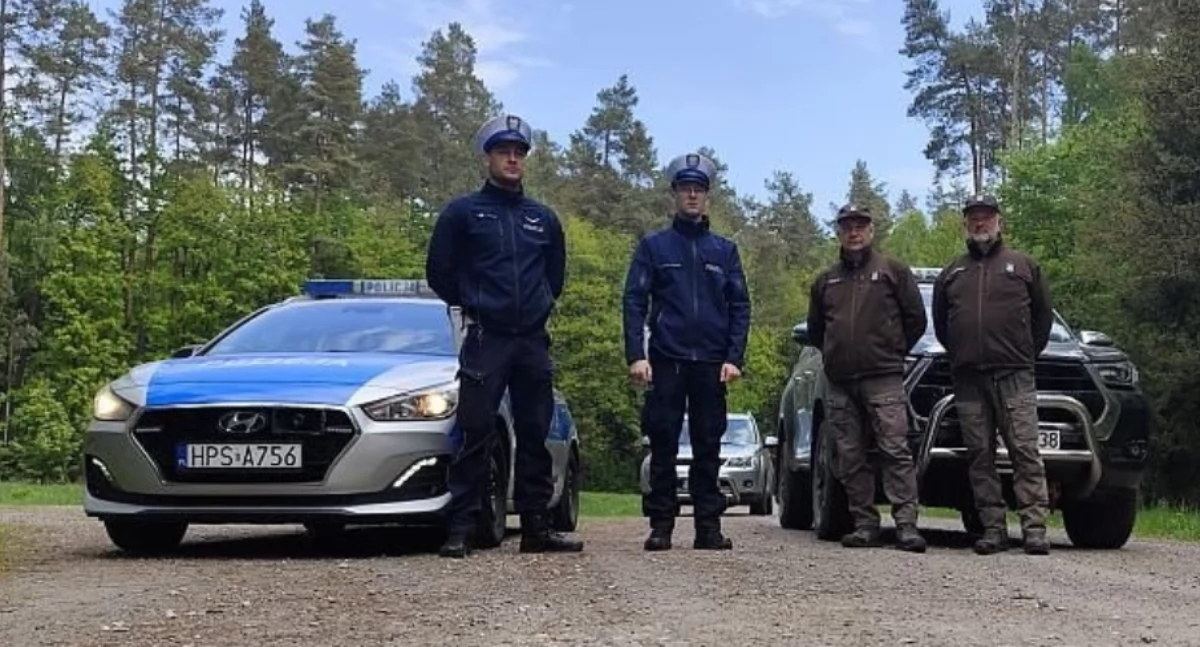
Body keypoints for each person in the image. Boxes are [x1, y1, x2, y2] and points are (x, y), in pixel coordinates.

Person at [425, 113, 583, 558]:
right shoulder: (463, 213)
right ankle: (461, 528)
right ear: (488, 157)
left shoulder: (543, 218)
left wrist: (534, 308)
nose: (512, 159)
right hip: (485, 338)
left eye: (519, 153)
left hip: (530, 340)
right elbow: (439, 272)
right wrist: (475, 303)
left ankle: (537, 529)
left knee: (534, 432)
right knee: (476, 432)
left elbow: (555, 278)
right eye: (504, 152)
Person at [622, 152, 752, 552]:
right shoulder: (654, 247)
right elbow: (634, 301)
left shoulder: (724, 251)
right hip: (666, 360)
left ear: (707, 197)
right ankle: (661, 526)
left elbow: (740, 306)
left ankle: (707, 528)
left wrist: (734, 357)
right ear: (675, 195)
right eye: (685, 189)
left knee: (708, 446)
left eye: (699, 190)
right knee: (662, 444)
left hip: (711, 364)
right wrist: (636, 355)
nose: (692, 196)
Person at [931, 194, 1054, 556]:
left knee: (1025, 452)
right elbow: (943, 326)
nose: (980, 223)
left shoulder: (1024, 266)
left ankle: (1034, 530)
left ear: (1000, 221)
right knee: (979, 457)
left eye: (986, 217)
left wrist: (1024, 355)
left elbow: (1042, 320)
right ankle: (993, 529)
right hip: (969, 379)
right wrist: (963, 353)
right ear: (965, 224)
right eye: (974, 218)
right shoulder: (952, 273)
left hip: (1014, 375)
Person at [806, 204, 929, 552]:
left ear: (871, 231)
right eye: (847, 227)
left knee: (895, 450)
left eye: (860, 226)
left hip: (884, 378)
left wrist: (892, 351)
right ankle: (864, 523)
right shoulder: (825, 281)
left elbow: (915, 319)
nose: (854, 232)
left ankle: (906, 525)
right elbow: (817, 330)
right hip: (841, 382)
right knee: (849, 455)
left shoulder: (893, 272)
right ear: (839, 233)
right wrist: (837, 355)